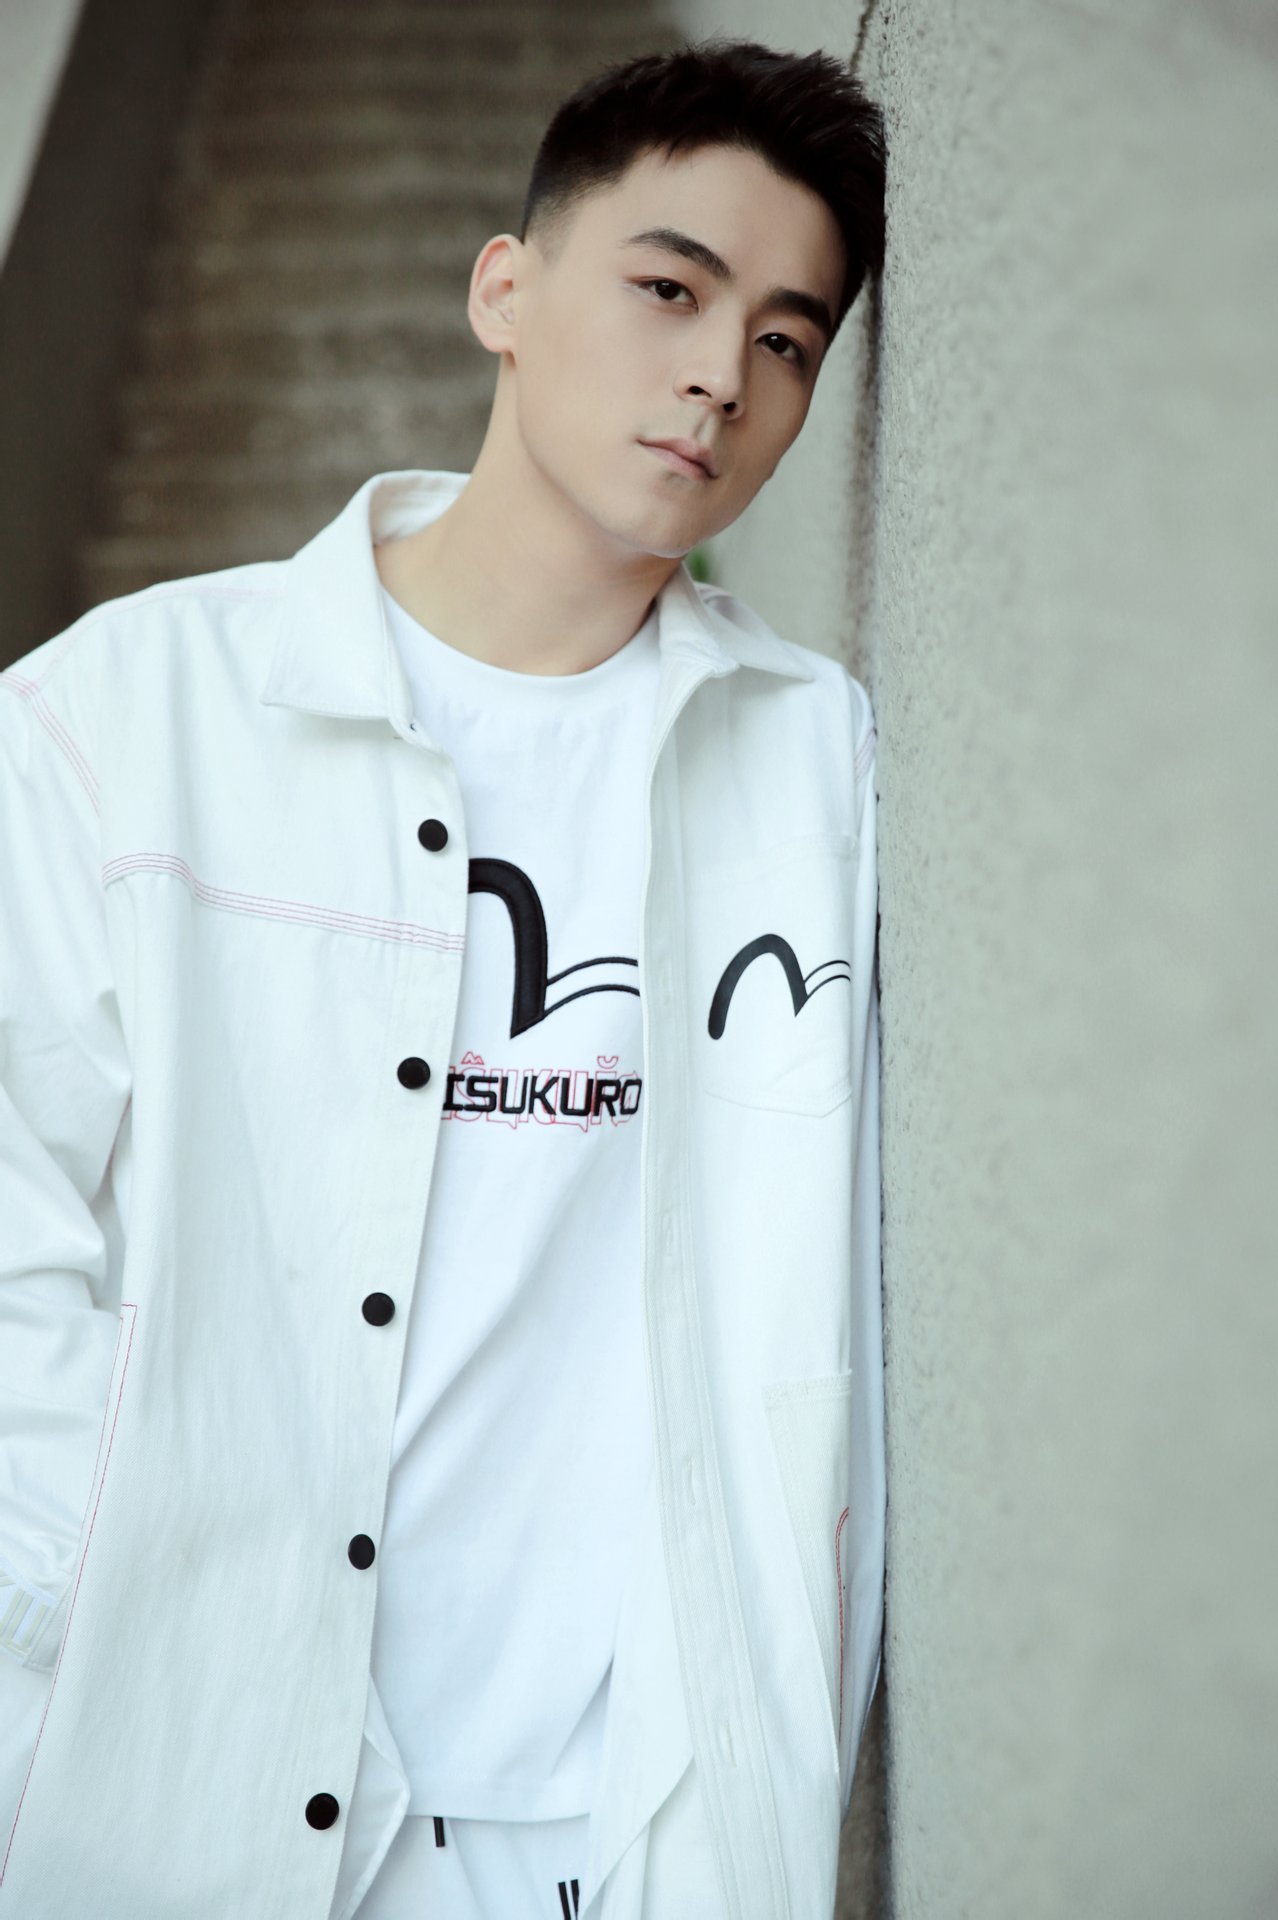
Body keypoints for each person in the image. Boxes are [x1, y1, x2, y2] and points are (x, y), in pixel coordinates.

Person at [0, 36, 886, 1920]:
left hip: (614, 1834)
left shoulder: (821, 771)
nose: (723, 375)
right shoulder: (122, 720)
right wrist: (108, 1606)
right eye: (670, 291)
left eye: (788, 339)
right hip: (188, 1801)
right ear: (505, 290)